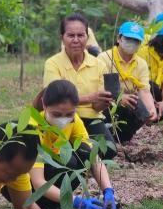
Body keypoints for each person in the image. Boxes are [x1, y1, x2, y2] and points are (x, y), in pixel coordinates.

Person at [20, 80, 117, 209]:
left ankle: (53, 206)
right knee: (68, 161)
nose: (63, 120)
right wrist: (76, 201)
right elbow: (38, 182)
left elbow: (92, 156)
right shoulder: (32, 126)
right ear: (44, 104)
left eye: (69, 114)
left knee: (83, 151)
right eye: (57, 114)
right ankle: (42, 207)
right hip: (25, 186)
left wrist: (108, 190)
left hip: (49, 174)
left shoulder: (74, 120)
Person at [44, 13, 117, 159]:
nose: (76, 40)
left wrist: (103, 102)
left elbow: (96, 107)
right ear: (62, 38)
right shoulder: (52, 63)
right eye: (71, 35)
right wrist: (91, 97)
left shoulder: (98, 64)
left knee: (110, 150)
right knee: (80, 152)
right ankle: (77, 155)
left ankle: (80, 154)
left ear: (87, 38)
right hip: (63, 117)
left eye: (81, 35)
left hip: (91, 118)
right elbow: (54, 100)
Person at [98, 21, 157, 143]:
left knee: (141, 107)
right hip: (107, 105)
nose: (132, 43)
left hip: (129, 104)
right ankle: (108, 137)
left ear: (140, 43)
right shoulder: (104, 58)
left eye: (136, 41)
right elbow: (97, 88)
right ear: (119, 38)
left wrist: (151, 109)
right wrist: (119, 98)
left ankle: (124, 138)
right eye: (128, 38)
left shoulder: (141, 64)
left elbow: (144, 90)